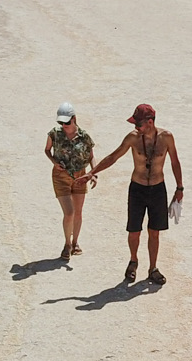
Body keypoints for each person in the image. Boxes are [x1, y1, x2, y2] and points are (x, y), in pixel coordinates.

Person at [91, 103, 183, 286]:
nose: (135, 128)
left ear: (149, 122)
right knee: (134, 231)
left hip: (158, 189)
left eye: (138, 124)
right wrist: (92, 172)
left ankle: (153, 268)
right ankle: (133, 261)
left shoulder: (166, 138)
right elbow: (113, 157)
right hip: (137, 188)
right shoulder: (133, 138)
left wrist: (180, 189)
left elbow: (174, 162)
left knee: (154, 232)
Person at [44, 102, 95, 260]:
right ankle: (67, 244)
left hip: (80, 177)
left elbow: (91, 156)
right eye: (61, 122)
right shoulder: (54, 134)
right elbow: (47, 150)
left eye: (67, 122)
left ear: (74, 119)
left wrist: (93, 173)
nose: (64, 125)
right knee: (69, 212)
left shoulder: (84, 136)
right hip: (61, 177)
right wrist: (54, 162)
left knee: (78, 212)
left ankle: (75, 243)